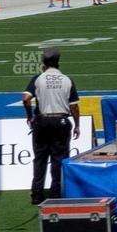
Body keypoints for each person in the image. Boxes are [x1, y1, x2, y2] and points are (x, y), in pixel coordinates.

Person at [23, 48, 81, 204]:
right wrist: (77, 125)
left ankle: (36, 194)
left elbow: (26, 99)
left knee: (40, 158)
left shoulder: (38, 78)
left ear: (44, 64)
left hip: (42, 120)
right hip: (60, 121)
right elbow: (74, 107)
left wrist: (30, 116)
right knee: (59, 158)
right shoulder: (67, 80)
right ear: (58, 63)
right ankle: (55, 192)